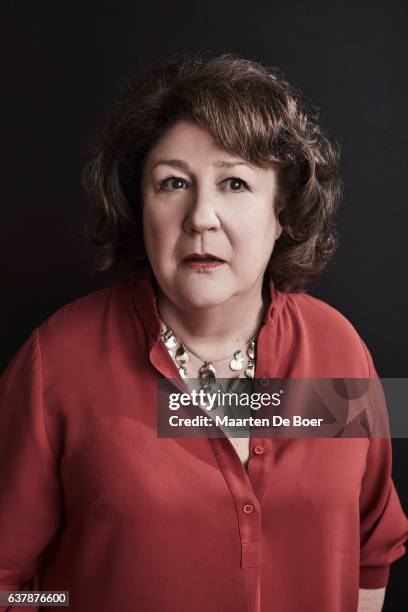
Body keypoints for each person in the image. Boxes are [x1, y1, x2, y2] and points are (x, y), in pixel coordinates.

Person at [0, 52, 407, 612]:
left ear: (282, 211)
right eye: (172, 183)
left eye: (235, 183)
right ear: (139, 206)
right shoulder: (56, 364)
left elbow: (373, 551)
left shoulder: (339, 348)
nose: (201, 216)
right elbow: (9, 583)